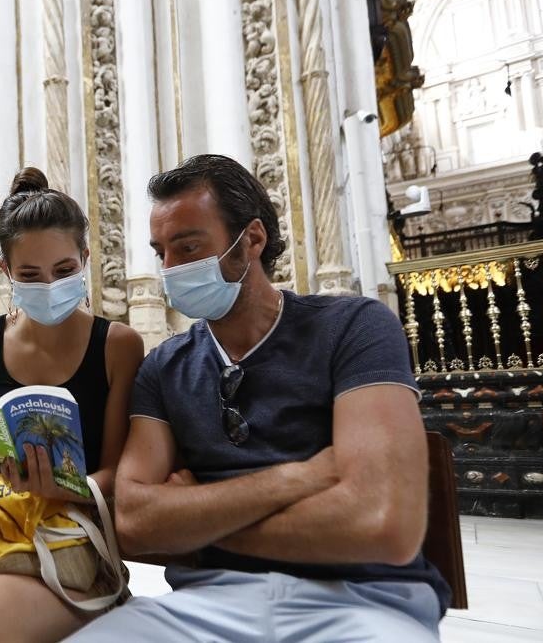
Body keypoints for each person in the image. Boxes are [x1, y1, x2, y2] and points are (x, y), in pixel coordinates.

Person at [64, 154, 449, 643]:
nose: (169, 269)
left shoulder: (354, 327)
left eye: (187, 247)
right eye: (160, 251)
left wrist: (194, 520)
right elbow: (136, 522)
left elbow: (383, 525)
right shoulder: (163, 367)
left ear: (251, 240)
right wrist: (303, 476)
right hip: (207, 604)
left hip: (362, 600)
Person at [0, 168, 144, 643]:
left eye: (63, 271)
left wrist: (65, 486)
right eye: (30, 275)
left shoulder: (118, 345)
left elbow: (121, 474)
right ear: (6, 273)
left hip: (76, 546)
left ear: (84, 258)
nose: (49, 286)